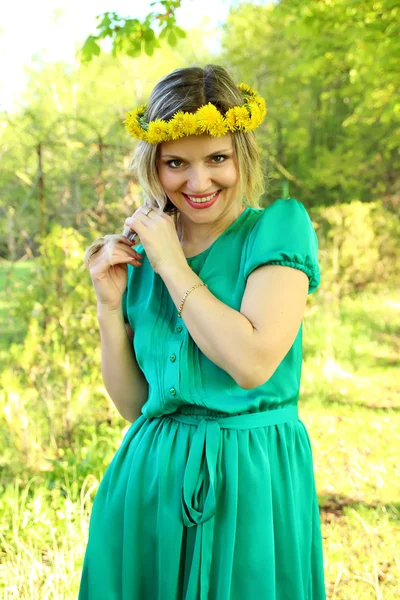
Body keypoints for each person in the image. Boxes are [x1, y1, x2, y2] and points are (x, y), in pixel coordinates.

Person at [79, 64, 326, 599]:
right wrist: (108, 305)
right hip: (148, 482)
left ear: (243, 153)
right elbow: (134, 404)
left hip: (248, 479)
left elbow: (253, 362)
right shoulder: (143, 254)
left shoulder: (276, 228)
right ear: (154, 166)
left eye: (217, 158)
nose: (198, 182)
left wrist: (173, 264)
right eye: (176, 164)